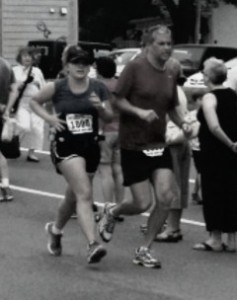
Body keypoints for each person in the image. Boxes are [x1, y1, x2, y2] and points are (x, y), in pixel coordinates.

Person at [98, 25, 191, 268]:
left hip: (158, 143)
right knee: (141, 204)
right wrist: (139, 112)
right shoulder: (135, 67)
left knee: (166, 197)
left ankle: (144, 249)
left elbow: (170, 107)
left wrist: (184, 124)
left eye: (169, 43)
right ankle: (112, 211)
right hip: (133, 143)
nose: (167, 48)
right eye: (161, 43)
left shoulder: (170, 72)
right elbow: (117, 100)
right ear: (148, 45)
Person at [30, 46, 113, 264]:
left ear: (90, 66)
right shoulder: (57, 87)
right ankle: (93, 244)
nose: (80, 67)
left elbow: (110, 115)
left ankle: (55, 231)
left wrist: (101, 109)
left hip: (90, 146)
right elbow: (34, 102)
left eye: (85, 63)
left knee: (73, 195)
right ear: (67, 66)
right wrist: (49, 120)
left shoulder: (98, 87)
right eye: (76, 63)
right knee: (85, 193)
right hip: (66, 145)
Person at [193, 57, 237, 252]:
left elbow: (213, 126)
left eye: (204, 71)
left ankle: (215, 238)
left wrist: (229, 144)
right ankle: (233, 238)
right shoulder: (234, 95)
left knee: (213, 193)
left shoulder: (210, 98)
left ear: (209, 76)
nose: (202, 74)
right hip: (233, 153)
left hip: (215, 152)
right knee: (232, 192)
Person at [155, 85, 191, 242]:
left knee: (170, 185)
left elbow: (163, 116)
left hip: (170, 140)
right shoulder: (178, 90)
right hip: (181, 138)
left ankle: (171, 228)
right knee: (180, 184)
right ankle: (172, 226)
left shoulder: (165, 90)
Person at [96, 56, 125, 219]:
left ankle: (108, 207)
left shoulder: (100, 86)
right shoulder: (120, 84)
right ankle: (120, 206)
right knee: (118, 169)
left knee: (105, 169)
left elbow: (100, 110)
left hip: (105, 130)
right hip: (121, 128)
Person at [4, 46, 45, 162]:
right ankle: (13, 142)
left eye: (30, 56)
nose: (27, 58)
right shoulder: (15, 70)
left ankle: (31, 153)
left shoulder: (37, 71)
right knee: (24, 125)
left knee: (36, 129)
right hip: (22, 102)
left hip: (36, 102)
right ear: (20, 58)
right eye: (25, 56)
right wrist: (22, 83)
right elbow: (11, 87)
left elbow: (43, 86)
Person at [0, 57, 18, 201]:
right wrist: (7, 108)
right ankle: (5, 185)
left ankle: (4, 187)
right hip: (2, 109)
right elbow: (14, 89)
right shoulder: (6, 64)